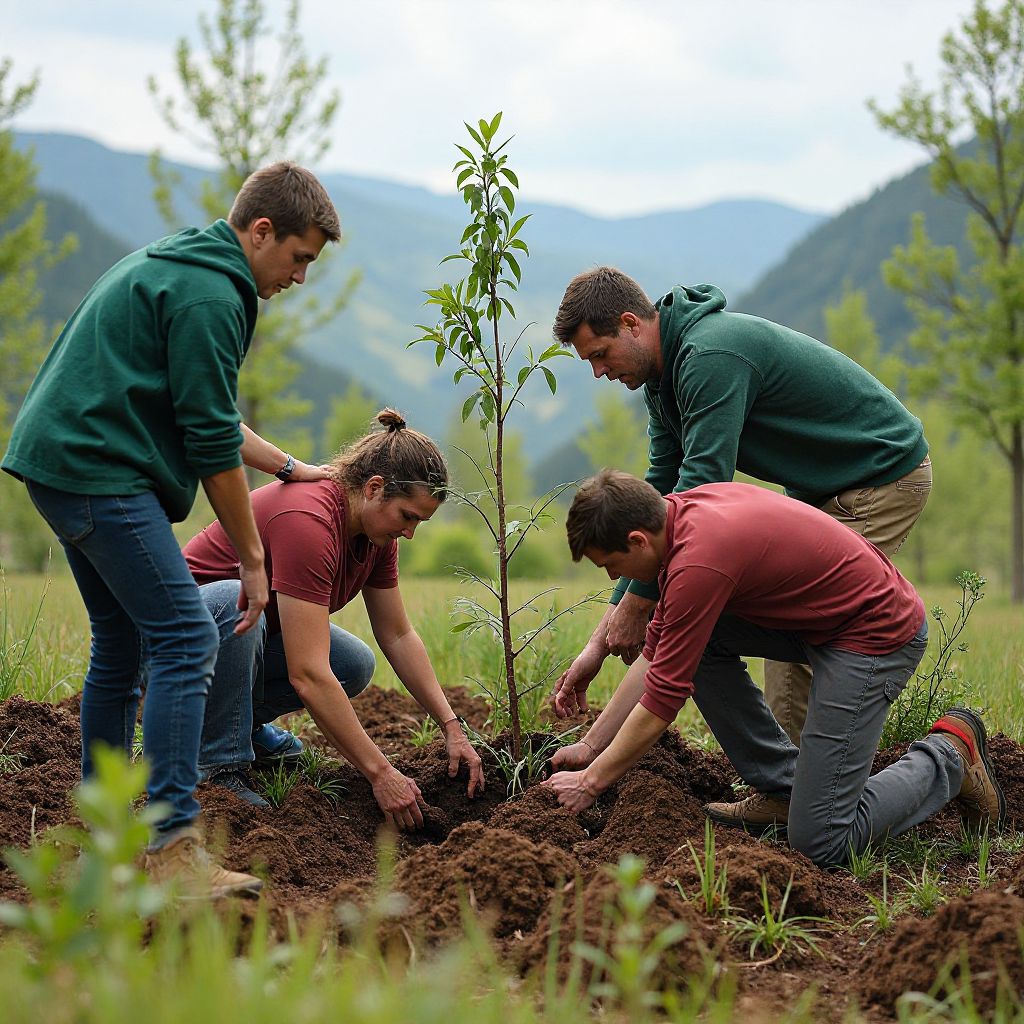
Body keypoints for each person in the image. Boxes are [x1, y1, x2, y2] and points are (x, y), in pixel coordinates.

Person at [2, 161, 341, 898]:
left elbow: (212, 412)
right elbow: (210, 443)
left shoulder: (186, 263)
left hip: (62, 465)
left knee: (122, 648)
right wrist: (252, 557)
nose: (300, 277)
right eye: (299, 257)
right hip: (99, 471)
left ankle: (105, 838)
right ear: (261, 232)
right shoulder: (212, 295)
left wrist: (289, 467)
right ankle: (172, 850)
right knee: (186, 636)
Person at [551, 267, 932, 828]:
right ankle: (794, 788)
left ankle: (809, 801)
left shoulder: (709, 357)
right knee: (702, 624)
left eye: (601, 354)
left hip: (877, 471)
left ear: (632, 324)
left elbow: (702, 479)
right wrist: (605, 633)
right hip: (821, 487)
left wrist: (639, 602)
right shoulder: (662, 377)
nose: (601, 372)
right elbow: (658, 491)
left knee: (812, 625)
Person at [544, 471, 1003, 869]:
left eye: (611, 565)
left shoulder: (699, 560)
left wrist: (592, 781)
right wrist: (589, 746)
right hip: (823, 622)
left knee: (821, 841)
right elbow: (659, 653)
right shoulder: (683, 516)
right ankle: (785, 790)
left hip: (875, 636)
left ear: (637, 540)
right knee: (692, 647)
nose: (612, 579)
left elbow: (663, 701)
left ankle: (949, 756)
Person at [184, 409, 485, 829]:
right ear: (375, 488)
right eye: (408, 516)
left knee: (352, 663)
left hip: (241, 644)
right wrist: (381, 774)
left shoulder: (376, 536)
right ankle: (215, 766)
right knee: (235, 601)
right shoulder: (309, 520)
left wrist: (452, 725)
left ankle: (240, 727)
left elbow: (397, 635)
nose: (411, 532)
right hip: (175, 645)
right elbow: (306, 672)